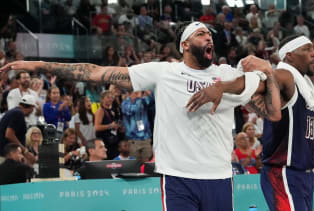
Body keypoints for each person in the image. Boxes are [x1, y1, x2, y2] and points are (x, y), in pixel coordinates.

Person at [0, 21, 281, 211]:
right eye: (200, 34)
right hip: (178, 177)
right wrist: (38, 64)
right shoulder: (164, 72)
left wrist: (230, 83)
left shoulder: (227, 74)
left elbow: (267, 99)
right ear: (184, 44)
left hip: (218, 176)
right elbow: (96, 72)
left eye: (209, 34)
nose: (208, 37)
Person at [193, 35, 314, 211]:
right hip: (283, 172)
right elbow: (255, 83)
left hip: (302, 174)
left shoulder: (306, 86)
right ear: (289, 55)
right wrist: (222, 86)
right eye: (307, 49)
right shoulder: (284, 76)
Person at [0, 95, 36, 164]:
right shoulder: (18, 113)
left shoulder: (13, 111)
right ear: (31, 107)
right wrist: (25, 151)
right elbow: (9, 134)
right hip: (6, 156)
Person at [122, 90, 153, 162]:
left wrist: (147, 91)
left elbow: (152, 100)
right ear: (130, 93)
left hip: (146, 137)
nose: (139, 94)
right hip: (133, 139)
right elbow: (132, 110)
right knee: (135, 163)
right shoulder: (125, 103)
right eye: (136, 92)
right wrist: (138, 99)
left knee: (146, 162)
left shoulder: (142, 101)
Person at [95, 90, 119, 159]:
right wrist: (111, 126)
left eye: (112, 97)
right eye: (108, 97)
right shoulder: (101, 110)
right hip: (105, 142)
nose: (110, 99)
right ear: (102, 99)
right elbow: (97, 127)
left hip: (112, 142)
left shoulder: (111, 110)